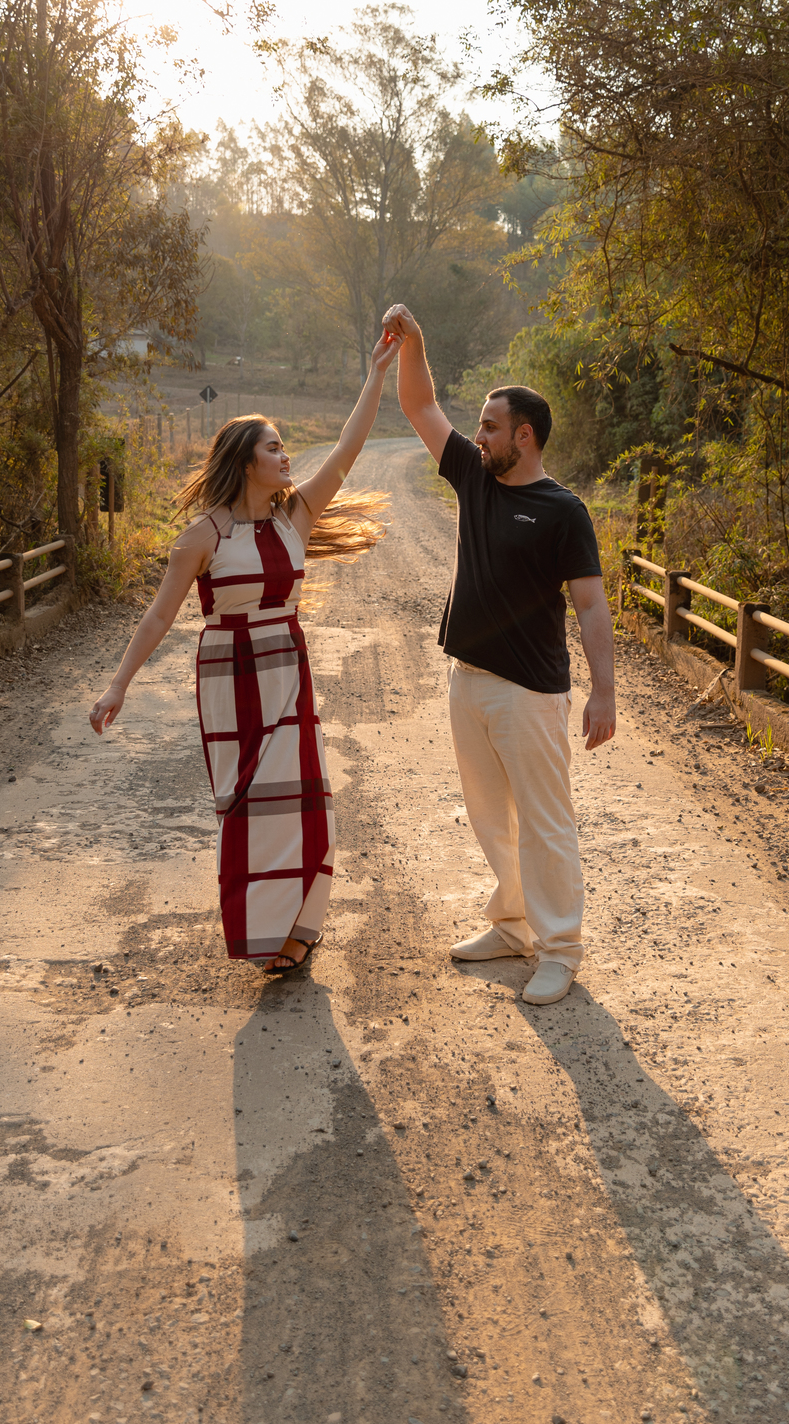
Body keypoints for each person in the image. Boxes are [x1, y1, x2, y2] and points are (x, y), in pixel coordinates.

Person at [88, 332, 400, 973]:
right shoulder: (201, 536)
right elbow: (158, 615)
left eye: (284, 446)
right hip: (229, 676)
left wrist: (375, 375)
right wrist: (117, 685)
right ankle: (263, 934)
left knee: (302, 798)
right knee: (247, 805)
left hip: (287, 666)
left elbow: (347, 447)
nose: (286, 456)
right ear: (246, 459)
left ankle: (297, 930)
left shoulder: (297, 516)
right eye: (275, 447)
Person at [384, 302, 616, 1006]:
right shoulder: (475, 476)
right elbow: (418, 402)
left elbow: (592, 606)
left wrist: (605, 693)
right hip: (468, 681)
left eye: (488, 426)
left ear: (524, 434)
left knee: (545, 823)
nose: (475, 434)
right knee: (490, 816)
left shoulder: (563, 511)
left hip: (530, 693)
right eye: (478, 426)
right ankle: (513, 926)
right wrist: (415, 339)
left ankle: (561, 949)